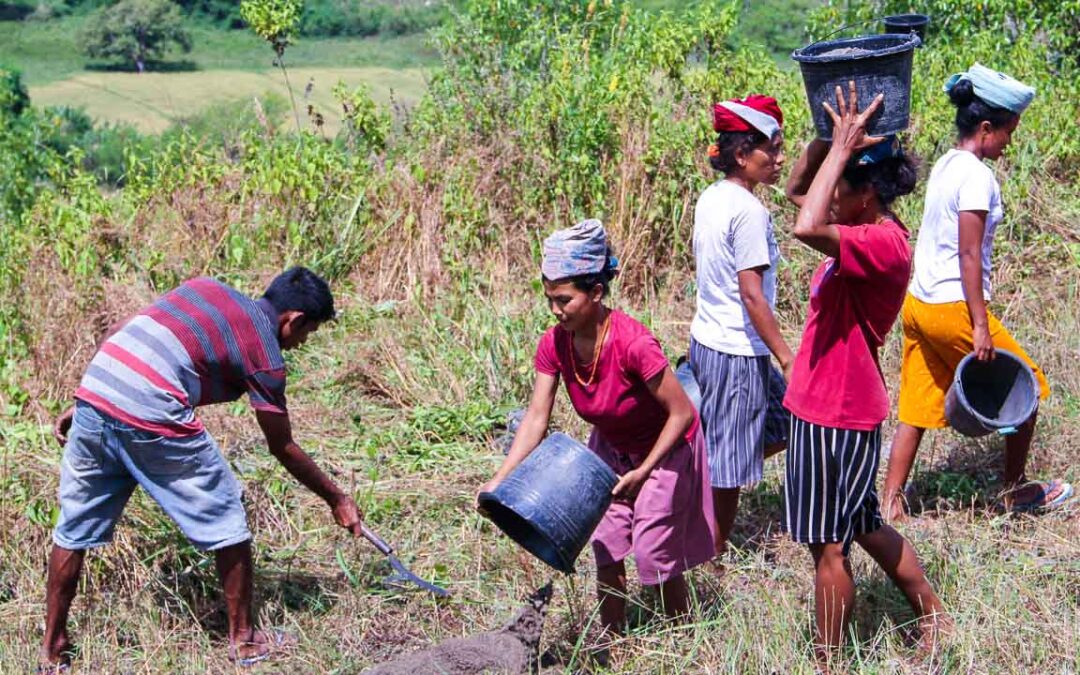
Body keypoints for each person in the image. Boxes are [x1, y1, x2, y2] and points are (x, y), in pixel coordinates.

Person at [40, 267, 365, 670]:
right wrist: (337, 498)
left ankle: (52, 651)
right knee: (228, 517)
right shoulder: (265, 356)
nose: (300, 344)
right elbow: (281, 446)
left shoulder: (205, 289)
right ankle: (245, 641)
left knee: (73, 529)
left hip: (98, 389)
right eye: (307, 334)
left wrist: (94, 397)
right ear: (293, 320)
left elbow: (130, 328)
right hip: (148, 409)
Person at [478, 219, 715, 633]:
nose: (556, 309)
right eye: (549, 298)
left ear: (597, 293)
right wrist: (500, 481)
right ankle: (612, 638)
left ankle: (683, 636)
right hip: (609, 450)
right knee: (605, 545)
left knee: (653, 550)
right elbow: (536, 419)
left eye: (565, 299)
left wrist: (644, 472)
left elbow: (682, 414)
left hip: (664, 448)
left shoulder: (633, 343)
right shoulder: (555, 344)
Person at [784, 83, 948, 669]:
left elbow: (805, 222)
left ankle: (828, 663)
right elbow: (800, 193)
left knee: (829, 546)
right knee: (861, 525)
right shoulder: (858, 229)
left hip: (840, 411)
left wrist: (839, 151)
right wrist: (829, 137)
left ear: (868, 194)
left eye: (842, 189)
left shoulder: (883, 245)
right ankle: (931, 610)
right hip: (816, 403)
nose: (830, 200)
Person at [882, 63, 1073, 520]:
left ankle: (890, 502)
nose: (1010, 140)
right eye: (1008, 131)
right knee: (1027, 388)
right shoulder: (977, 177)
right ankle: (1013, 493)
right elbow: (969, 254)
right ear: (986, 128)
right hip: (951, 306)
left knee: (916, 405)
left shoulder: (948, 164)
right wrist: (981, 325)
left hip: (918, 304)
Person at [689, 94, 793, 561]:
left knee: (784, 424)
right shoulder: (750, 213)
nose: (778, 158)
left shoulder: (714, 197)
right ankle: (711, 553)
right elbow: (752, 295)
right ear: (741, 155)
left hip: (710, 338)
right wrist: (787, 356)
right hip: (735, 348)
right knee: (729, 468)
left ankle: (704, 472)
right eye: (770, 149)